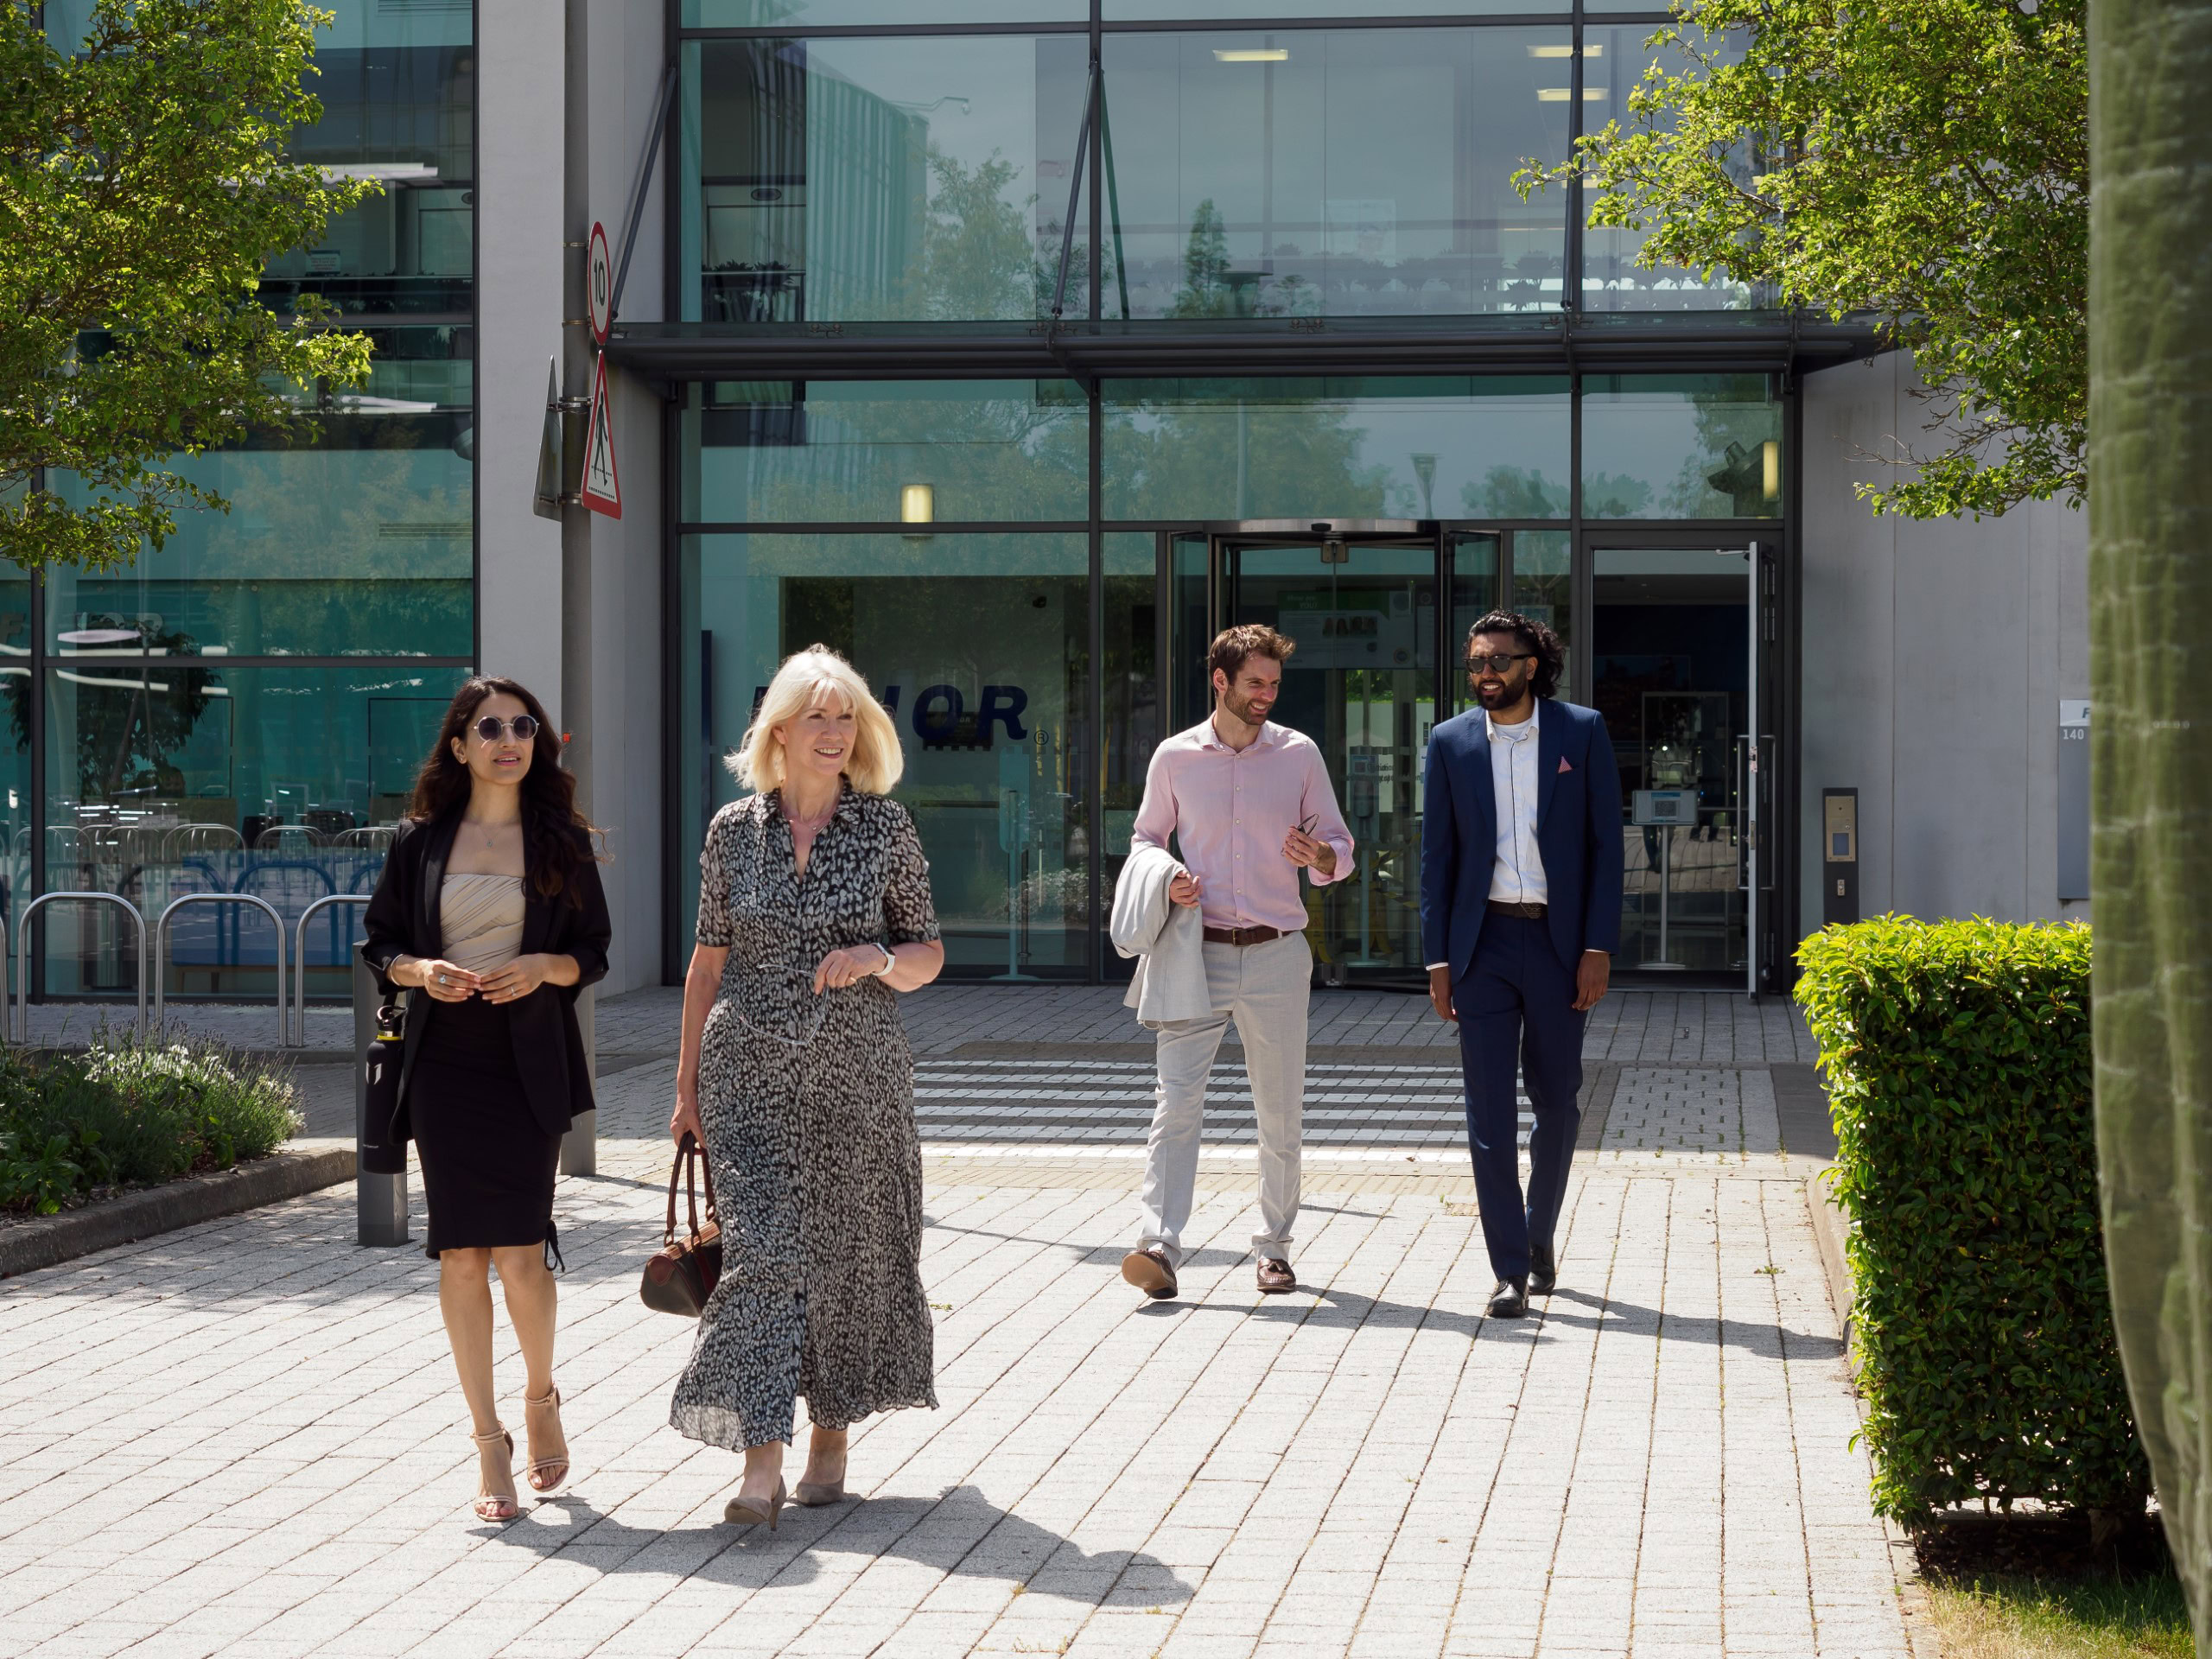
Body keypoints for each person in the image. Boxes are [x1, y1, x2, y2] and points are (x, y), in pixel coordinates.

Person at [668, 645, 946, 1530]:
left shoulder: (884, 830)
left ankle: (830, 1433)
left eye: (845, 718)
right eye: (816, 718)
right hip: (744, 1070)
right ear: (778, 732)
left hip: (854, 1076)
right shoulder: (729, 832)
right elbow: (705, 962)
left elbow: (929, 952)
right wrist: (683, 1091)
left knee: (851, 1256)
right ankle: (761, 1463)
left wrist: (880, 957)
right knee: (764, 1257)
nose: (833, 733)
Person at [361, 676, 612, 1522]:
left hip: (525, 1064)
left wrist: (543, 968)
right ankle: (486, 1442)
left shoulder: (562, 841)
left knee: (517, 1249)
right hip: (444, 1069)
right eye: (490, 727)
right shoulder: (419, 843)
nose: (510, 739)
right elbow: (380, 944)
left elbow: (592, 952)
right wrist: (419, 970)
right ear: (460, 745)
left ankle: (541, 1400)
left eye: (524, 725)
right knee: (462, 1255)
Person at [1119, 624, 1355, 1301]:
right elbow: (1144, 839)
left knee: (1278, 1111)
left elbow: (1339, 842)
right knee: (1176, 1104)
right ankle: (1160, 1243)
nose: (1267, 695)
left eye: (1274, 684)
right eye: (1255, 682)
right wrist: (1166, 877)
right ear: (1219, 681)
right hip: (1195, 955)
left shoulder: (1299, 755)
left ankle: (1275, 1249)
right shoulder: (1174, 757)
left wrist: (1323, 859)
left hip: (1279, 955)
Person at [1420, 613, 1623, 1319]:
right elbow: (1436, 858)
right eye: (1477, 659)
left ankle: (1539, 1234)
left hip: (1561, 947)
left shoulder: (1580, 732)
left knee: (1557, 1101)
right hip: (1484, 949)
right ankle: (1509, 1268)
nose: (1486, 672)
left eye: (1500, 660)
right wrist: (1439, 959)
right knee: (1487, 1114)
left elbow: (1606, 848)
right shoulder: (1449, 742)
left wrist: (1598, 947)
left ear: (1532, 665)